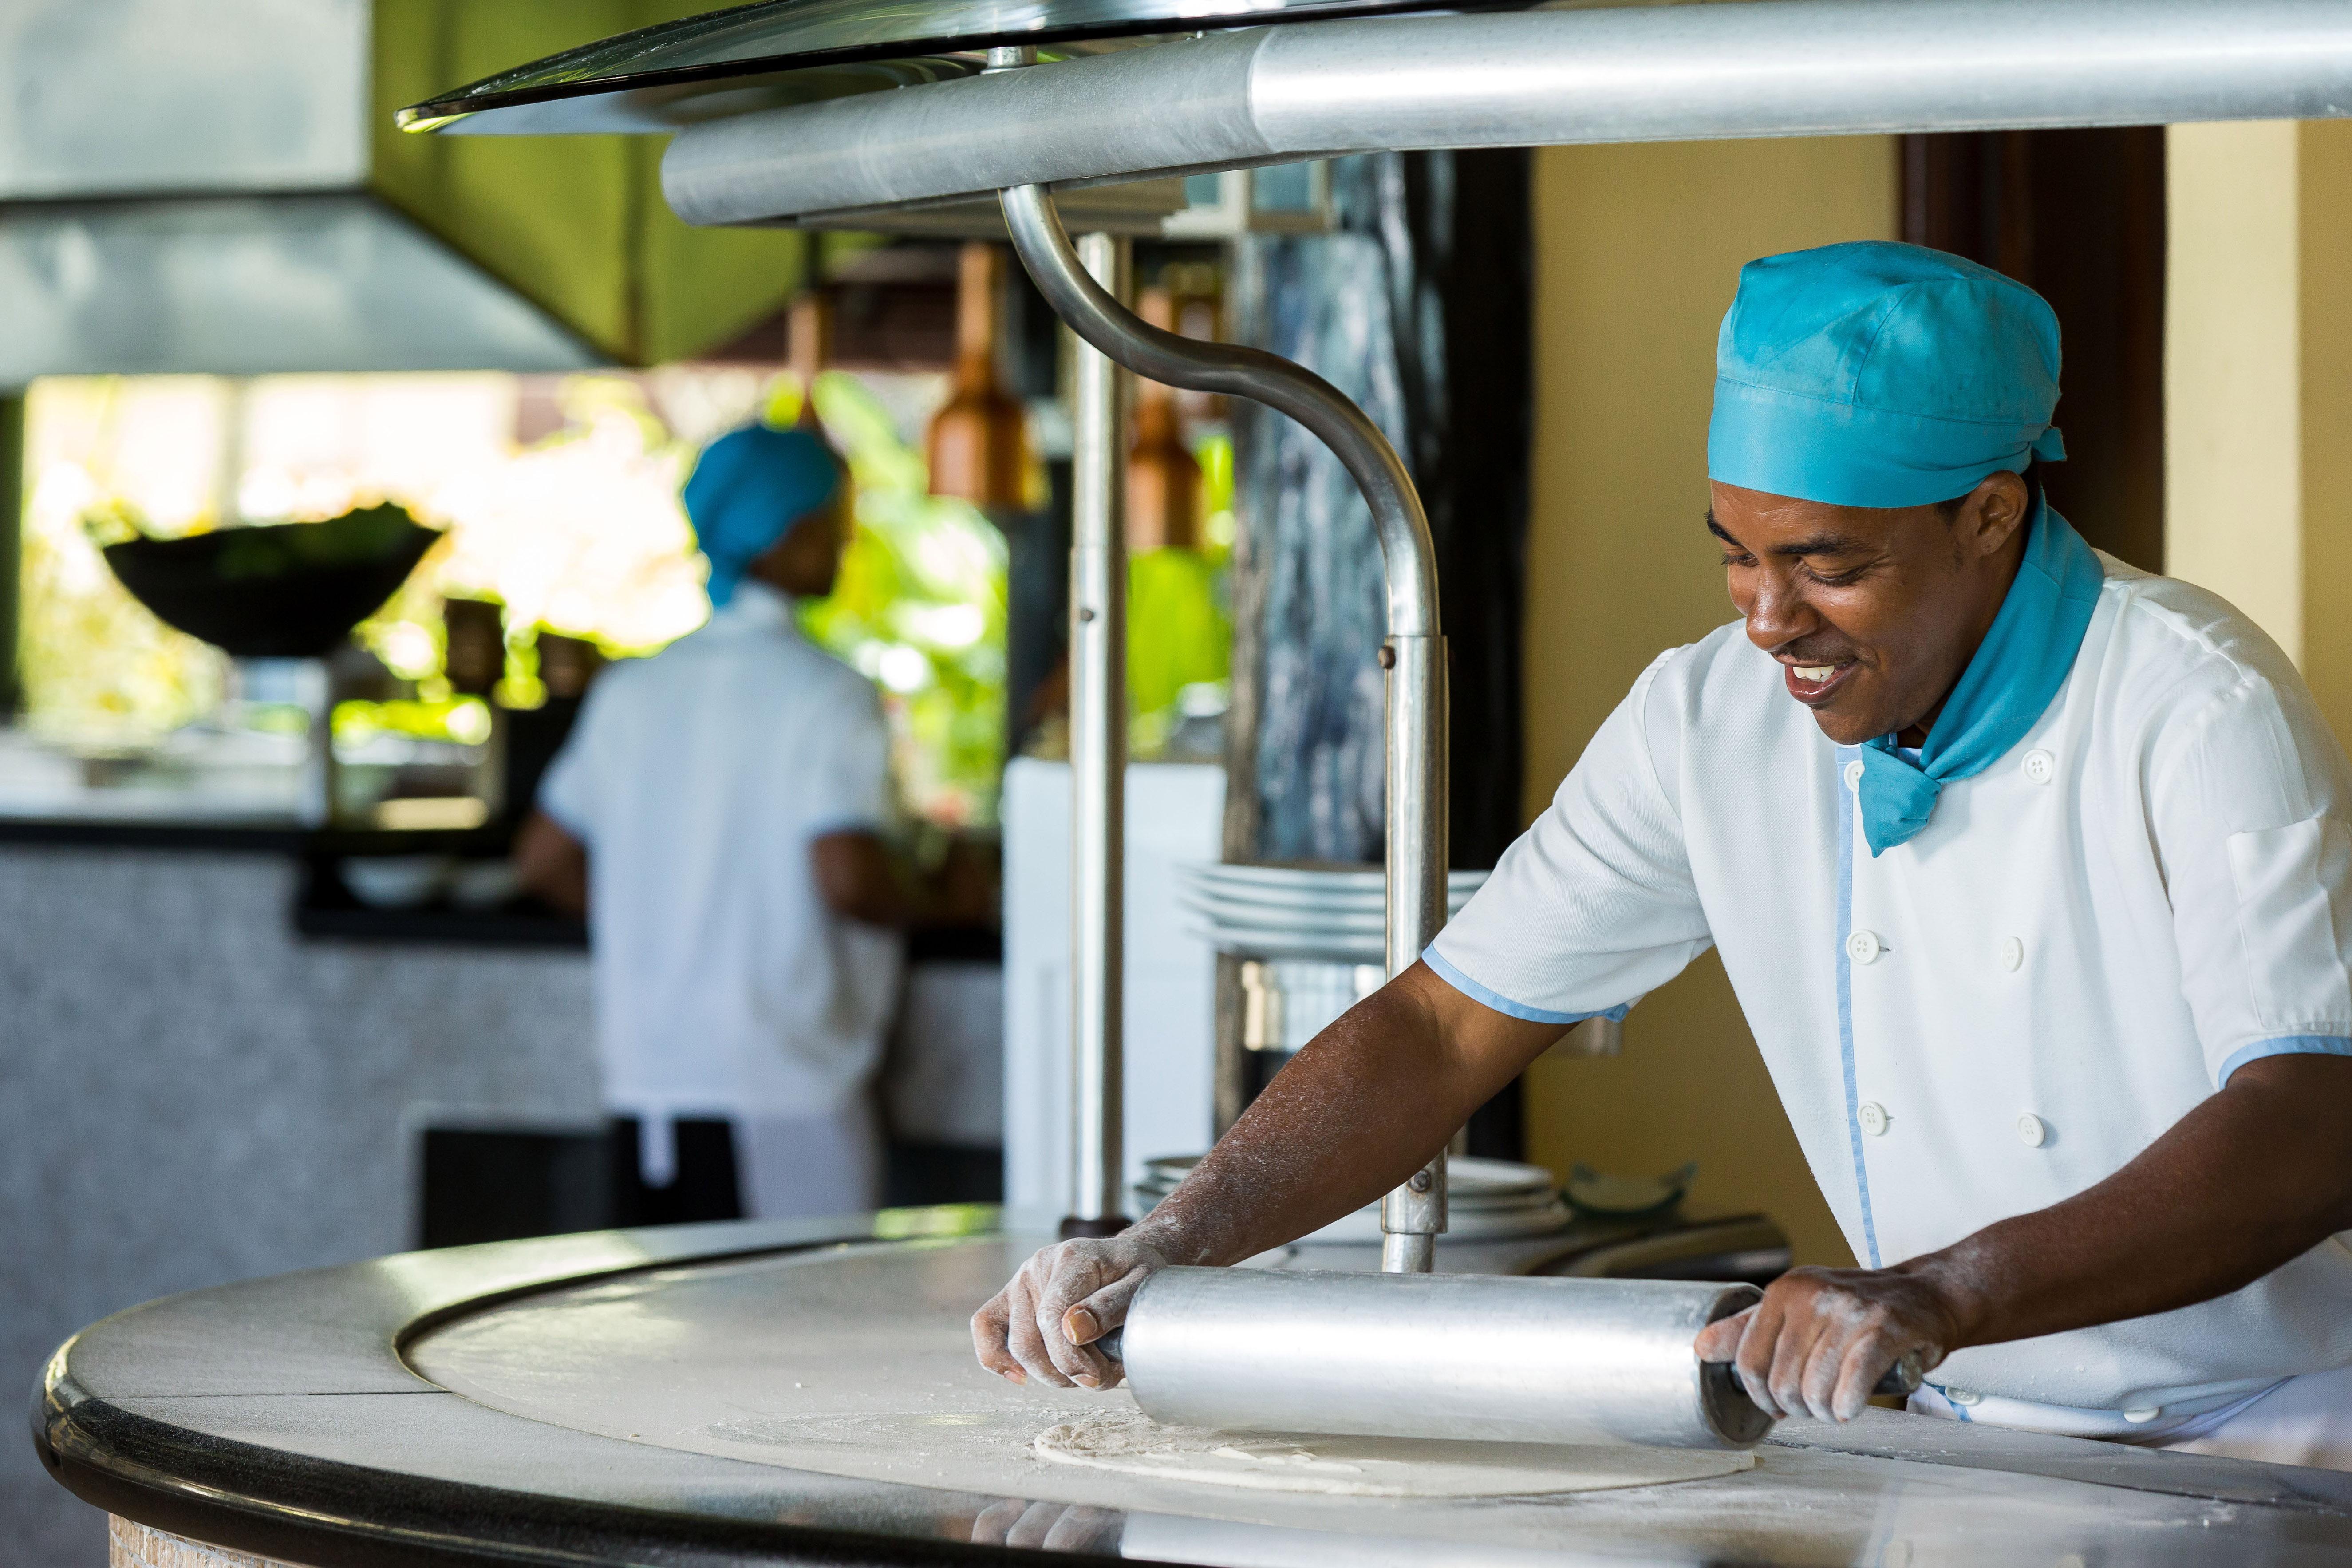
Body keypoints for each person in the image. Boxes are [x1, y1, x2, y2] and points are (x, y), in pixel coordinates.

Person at [972, 243, 2352, 1471]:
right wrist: (1172, 1241)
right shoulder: (1708, 719)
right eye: (1734, 559)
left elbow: (2310, 1116)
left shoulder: (2190, 701)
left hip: (2266, 1428)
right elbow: (1446, 1024)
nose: (1766, 620)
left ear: (1990, 515)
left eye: (1825, 564)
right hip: (1951, 1434)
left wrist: (1938, 1289)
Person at [515, 423, 988, 1224]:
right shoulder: (825, 694)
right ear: (786, 533)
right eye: (832, 518)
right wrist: (952, 902)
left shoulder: (633, 690)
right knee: (801, 1337)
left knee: (666, 1337)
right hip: (785, 1087)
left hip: (652, 1085)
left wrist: (664, 928)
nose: (844, 540)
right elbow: (848, 876)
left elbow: (544, 861)